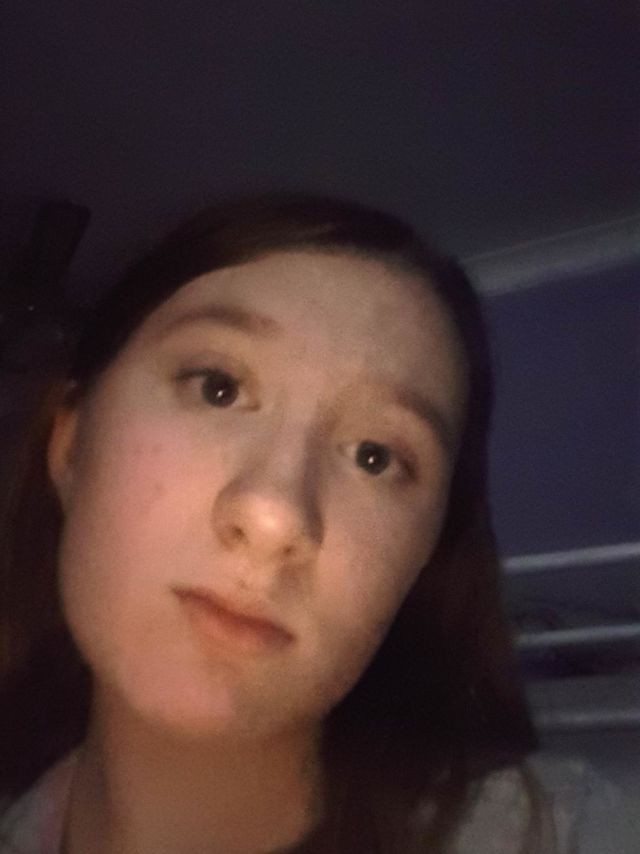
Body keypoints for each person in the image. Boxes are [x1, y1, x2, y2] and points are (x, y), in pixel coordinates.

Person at [0, 193, 624, 854]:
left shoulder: (559, 833)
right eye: (217, 387)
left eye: (374, 457)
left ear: (422, 557)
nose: (274, 515)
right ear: (71, 446)